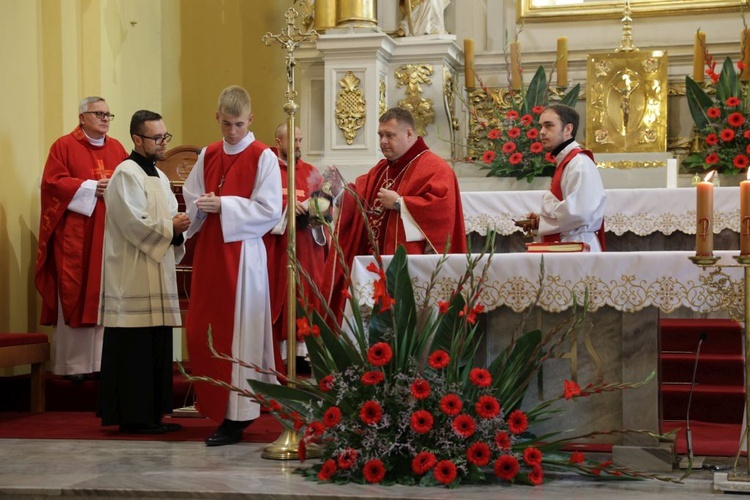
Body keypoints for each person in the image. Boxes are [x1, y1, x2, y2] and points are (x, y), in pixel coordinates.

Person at [183, 85, 282, 447]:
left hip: (243, 255)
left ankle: (237, 416)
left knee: (239, 333)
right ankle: (214, 404)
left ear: (251, 119)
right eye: (226, 124)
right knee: (202, 329)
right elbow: (192, 195)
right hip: (211, 252)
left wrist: (225, 206)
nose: (232, 132)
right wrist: (202, 205)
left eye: (239, 124)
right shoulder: (208, 154)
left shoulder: (263, 157)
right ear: (217, 119)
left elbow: (270, 210)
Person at [322, 106, 467, 322]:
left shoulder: (435, 168)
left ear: (409, 134)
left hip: (414, 270)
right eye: (380, 135)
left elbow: (441, 212)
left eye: (389, 135)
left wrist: (400, 203)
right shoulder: (382, 169)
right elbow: (358, 197)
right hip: (376, 267)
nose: (383, 141)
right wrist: (338, 191)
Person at [97, 110, 190, 434]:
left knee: (155, 345)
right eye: (157, 138)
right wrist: (170, 227)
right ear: (137, 139)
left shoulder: (161, 177)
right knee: (134, 348)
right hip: (131, 275)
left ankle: (153, 414)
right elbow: (132, 223)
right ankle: (134, 417)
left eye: (166, 136)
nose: (163, 143)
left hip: (156, 270)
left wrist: (178, 229)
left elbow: (172, 218)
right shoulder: (126, 173)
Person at [35, 96, 128, 381]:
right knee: (75, 291)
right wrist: (90, 187)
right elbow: (52, 185)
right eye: (98, 113)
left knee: (106, 293)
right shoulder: (63, 146)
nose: (105, 119)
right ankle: (73, 366)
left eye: (108, 114)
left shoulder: (118, 148)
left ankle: (102, 364)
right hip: (76, 235)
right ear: (82, 117)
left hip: (109, 233)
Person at [263, 123, 327, 375]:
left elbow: (326, 207)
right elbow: (259, 204)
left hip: (307, 247)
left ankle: (304, 355)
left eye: (300, 140)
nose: (298, 145)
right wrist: (288, 207)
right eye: (293, 140)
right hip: (278, 249)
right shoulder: (267, 170)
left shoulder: (311, 172)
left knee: (306, 298)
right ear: (278, 142)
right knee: (282, 296)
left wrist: (317, 208)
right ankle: (279, 357)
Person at [518, 104, 607, 252]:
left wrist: (544, 218)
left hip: (577, 246)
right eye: (541, 126)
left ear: (568, 129)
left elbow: (579, 212)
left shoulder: (579, 163)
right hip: (569, 244)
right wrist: (541, 220)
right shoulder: (567, 160)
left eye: (549, 126)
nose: (542, 132)